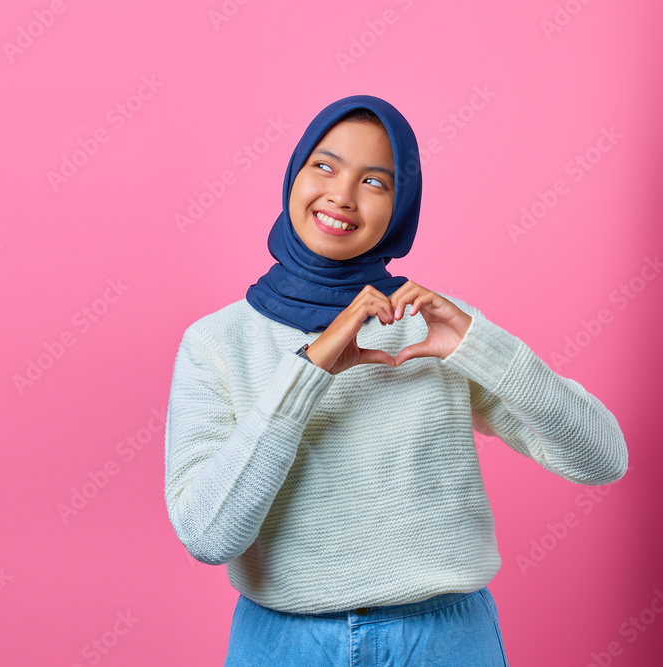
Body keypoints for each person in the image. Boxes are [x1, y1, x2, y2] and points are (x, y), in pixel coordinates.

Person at [163, 94, 628, 666]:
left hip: (445, 641)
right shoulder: (216, 341)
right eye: (325, 166)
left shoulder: (434, 325)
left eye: (376, 182)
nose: (342, 195)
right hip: (282, 643)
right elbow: (208, 537)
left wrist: (483, 350)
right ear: (294, 175)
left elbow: (602, 458)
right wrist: (306, 372)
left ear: (401, 207)